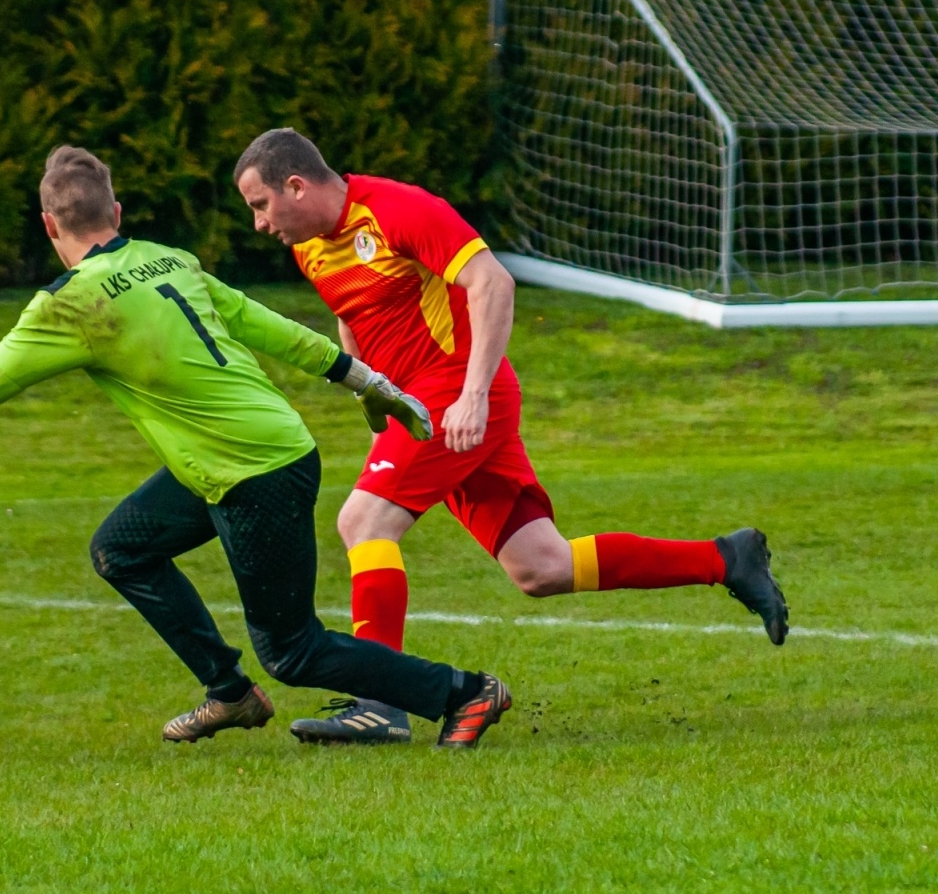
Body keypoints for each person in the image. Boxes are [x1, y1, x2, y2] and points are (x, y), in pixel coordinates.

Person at [0, 145, 513, 748]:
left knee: (293, 651)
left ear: (49, 227)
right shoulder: (167, 257)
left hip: (253, 472)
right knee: (121, 549)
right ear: (117, 210)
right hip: (253, 453)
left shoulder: (69, 304)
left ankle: (462, 692)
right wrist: (364, 379)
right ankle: (229, 693)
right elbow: (265, 324)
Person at [232, 128, 789, 745]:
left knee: (363, 522)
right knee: (542, 567)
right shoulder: (311, 247)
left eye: (260, 205)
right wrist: (374, 397)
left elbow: (493, 283)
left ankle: (379, 702)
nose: (259, 223)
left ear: (296, 185)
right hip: (422, 406)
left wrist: (472, 393)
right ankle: (725, 559)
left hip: (461, 392)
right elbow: (352, 313)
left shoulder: (400, 208)